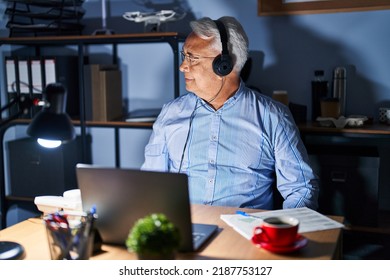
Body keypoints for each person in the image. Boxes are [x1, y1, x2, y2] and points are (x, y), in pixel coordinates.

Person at [141, 16, 319, 210]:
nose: (183, 66)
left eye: (193, 58)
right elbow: (151, 183)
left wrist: (284, 232)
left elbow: (301, 188)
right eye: (184, 56)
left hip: (245, 233)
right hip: (185, 230)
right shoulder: (171, 113)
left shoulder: (273, 116)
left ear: (224, 65)